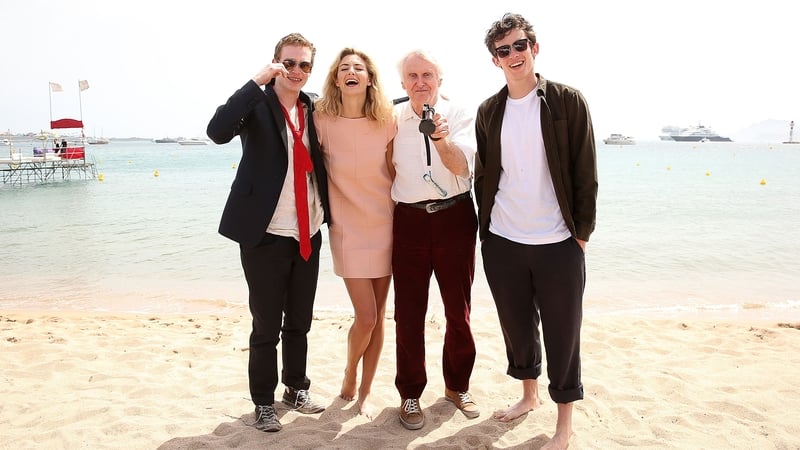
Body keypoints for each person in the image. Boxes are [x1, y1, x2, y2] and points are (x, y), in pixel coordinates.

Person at [474, 13, 598, 450]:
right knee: (517, 326)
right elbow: (484, 175)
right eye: (503, 50)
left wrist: (580, 235)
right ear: (495, 60)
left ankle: (564, 424)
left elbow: (586, 172)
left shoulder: (567, 101)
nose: (513, 55)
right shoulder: (489, 110)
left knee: (564, 333)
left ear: (534, 48)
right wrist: (487, 233)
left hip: (558, 241)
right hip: (504, 239)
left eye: (519, 45)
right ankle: (528, 396)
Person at [206, 32, 330, 433]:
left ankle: (295, 389)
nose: (296, 71)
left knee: (300, 321)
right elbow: (217, 131)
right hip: (265, 234)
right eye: (288, 63)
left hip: (308, 232)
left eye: (304, 65)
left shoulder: (314, 107)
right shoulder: (256, 104)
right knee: (266, 326)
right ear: (275, 63)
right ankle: (263, 402)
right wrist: (255, 81)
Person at [389, 49, 479, 430]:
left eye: (427, 75)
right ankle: (410, 394)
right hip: (408, 221)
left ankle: (457, 386)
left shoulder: (460, 114)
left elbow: (462, 166)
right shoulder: (392, 118)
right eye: (412, 76)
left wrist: (441, 137)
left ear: (440, 80)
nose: (420, 82)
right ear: (403, 82)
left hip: (454, 216)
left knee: (458, 311)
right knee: (409, 313)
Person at [313, 48, 397, 420]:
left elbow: (395, 172)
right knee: (365, 317)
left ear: (369, 78)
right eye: (344, 67)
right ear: (336, 78)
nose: (351, 72)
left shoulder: (388, 120)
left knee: (379, 316)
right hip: (346, 228)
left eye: (358, 68)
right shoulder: (321, 120)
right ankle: (350, 371)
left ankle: (364, 392)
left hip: (384, 224)